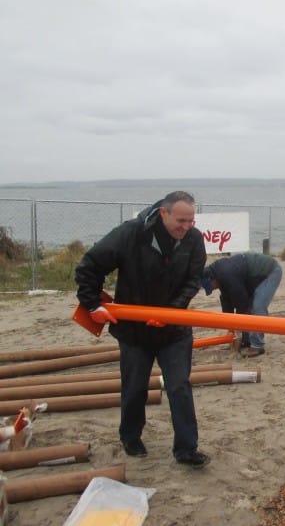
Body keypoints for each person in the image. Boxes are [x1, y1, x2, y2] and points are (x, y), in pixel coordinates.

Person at [75, 191, 210, 468]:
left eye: (191, 221)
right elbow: (90, 266)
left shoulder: (194, 239)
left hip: (173, 329)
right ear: (164, 213)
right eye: (180, 221)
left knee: (180, 387)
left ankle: (186, 448)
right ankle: (131, 437)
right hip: (134, 331)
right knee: (135, 387)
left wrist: (171, 311)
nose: (186, 227)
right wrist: (91, 305)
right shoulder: (131, 234)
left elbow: (193, 280)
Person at [201, 252, 282, 357]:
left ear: (212, 279)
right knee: (248, 308)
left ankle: (257, 346)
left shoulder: (227, 275)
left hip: (270, 271)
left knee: (257, 307)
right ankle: (246, 340)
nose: (212, 289)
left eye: (210, 286)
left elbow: (242, 305)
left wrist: (240, 333)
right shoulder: (221, 275)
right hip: (253, 277)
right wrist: (231, 333)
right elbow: (227, 304)